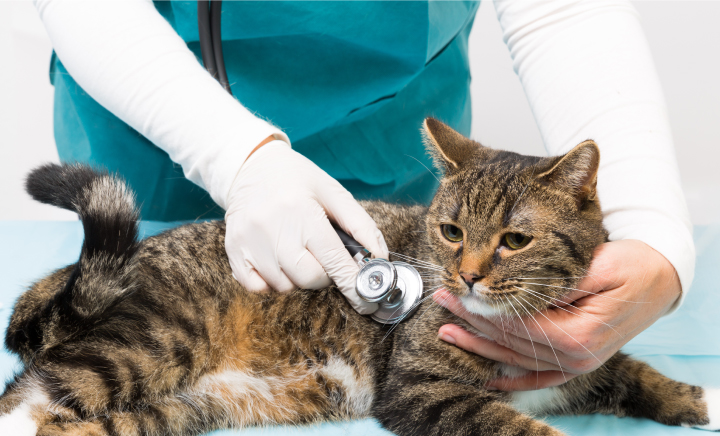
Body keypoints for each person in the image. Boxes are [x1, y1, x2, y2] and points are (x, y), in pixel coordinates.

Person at [34, 0, 694, 391]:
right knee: (139, 331)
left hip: (386, 136)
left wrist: (652, 237)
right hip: (156, 131)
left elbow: (562, 10)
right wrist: (234, 156)